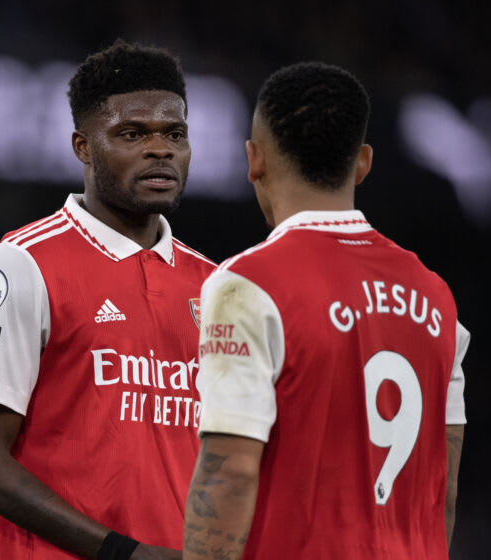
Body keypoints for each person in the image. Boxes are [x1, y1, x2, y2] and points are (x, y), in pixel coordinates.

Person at [182, 62, 469, 559]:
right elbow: (442, 489)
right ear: (362, 163)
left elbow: (229, 471)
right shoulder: (438, 299)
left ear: (254, 160)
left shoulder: (247, 285)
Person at [0, 40, 216, 560]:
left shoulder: (219, 287)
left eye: (175, 134)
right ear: (83, 147)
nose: (160, 149)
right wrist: (122, 553)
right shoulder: (21, 264)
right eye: (133, 134)